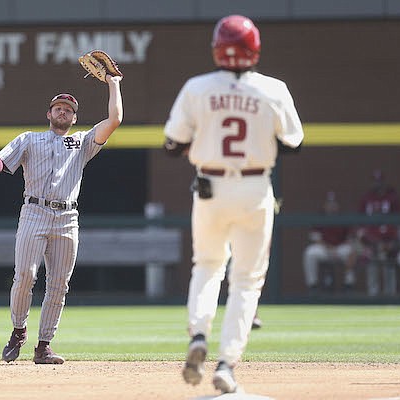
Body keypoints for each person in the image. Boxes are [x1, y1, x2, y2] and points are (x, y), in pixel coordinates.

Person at [163, 15, 304, 394]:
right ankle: (226, 363)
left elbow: (172, 144)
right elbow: (294, 142)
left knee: (207, 266)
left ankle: (197, 338)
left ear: (216, 47)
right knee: (246, 280)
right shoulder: (273, 88)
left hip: (210, 186)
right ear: (254, 48)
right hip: (255, 186)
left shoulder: (197, 87)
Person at [0, 75, 123, 364]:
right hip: (34, 212)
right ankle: (18, 331)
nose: (62, 111)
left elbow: (115, 119)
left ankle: (43, 346)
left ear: (74, 116)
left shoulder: (82, 142)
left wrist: (114, 82)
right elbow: (3, 158)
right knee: (25, 276)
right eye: (58, 107)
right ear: (49, 113)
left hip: (67, 216)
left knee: (59, 284)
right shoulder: (30, 139)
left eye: (68, 109)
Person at [355, 169, 400, 297]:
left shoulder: (392, 198)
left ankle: (391, 294)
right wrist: (368, 242)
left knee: (389, 259)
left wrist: (390, 242)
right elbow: (360, 224)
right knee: (370, 258)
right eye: (376, 182)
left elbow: (398, 222)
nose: (378, 185)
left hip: (388, 241)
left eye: (380, 182)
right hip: (370, 242)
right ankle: (373, 295)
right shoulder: (366, 198)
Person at [302, 191, 356, 294]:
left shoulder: (343, 218)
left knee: (350, 251)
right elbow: (316, 238)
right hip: (324, 249)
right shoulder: (320, 217)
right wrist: (330, 248)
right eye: (329, 204)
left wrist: (340, 248)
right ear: (325, 205)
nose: (331, 206)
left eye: (333, 204)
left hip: (340, 248)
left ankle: (349, 284)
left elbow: (350, 238)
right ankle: (312, 285)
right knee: (310, 253)